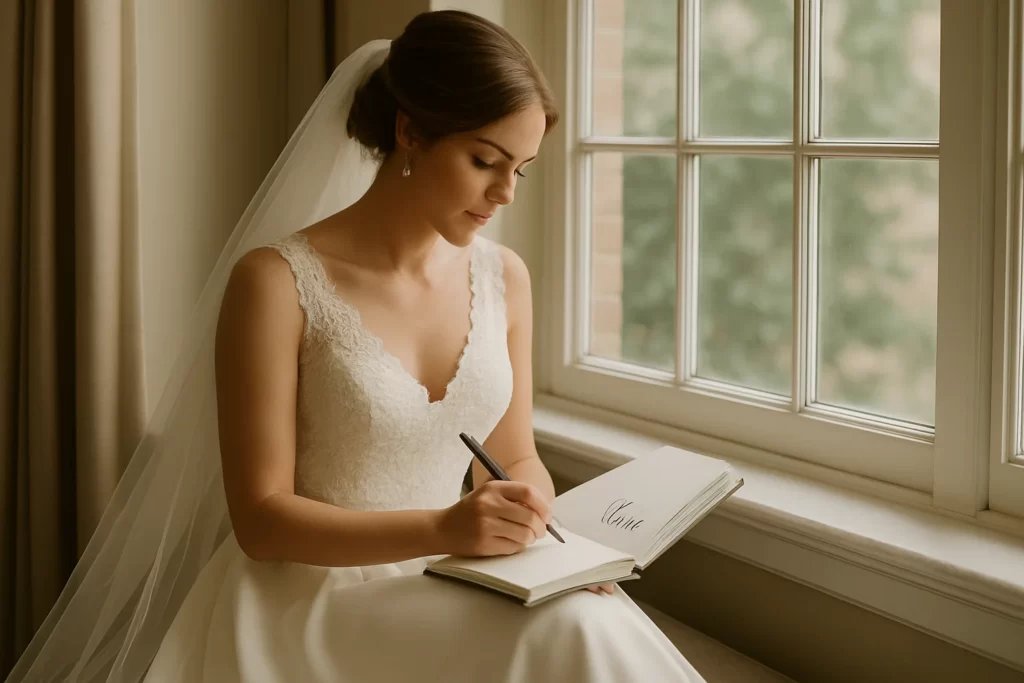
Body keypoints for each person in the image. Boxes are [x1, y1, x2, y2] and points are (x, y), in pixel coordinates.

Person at [7, 10, 706, 682]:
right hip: (313, 600)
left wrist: (550, 547)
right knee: (576, 637)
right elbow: (260, 520)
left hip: (455, 576)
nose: (505, 193)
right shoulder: (276, 283)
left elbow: (514, 453)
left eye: (521, 168)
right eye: (484, 160)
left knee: (587, 621)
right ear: (410, 131)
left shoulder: (505, 278)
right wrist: (445, 527)